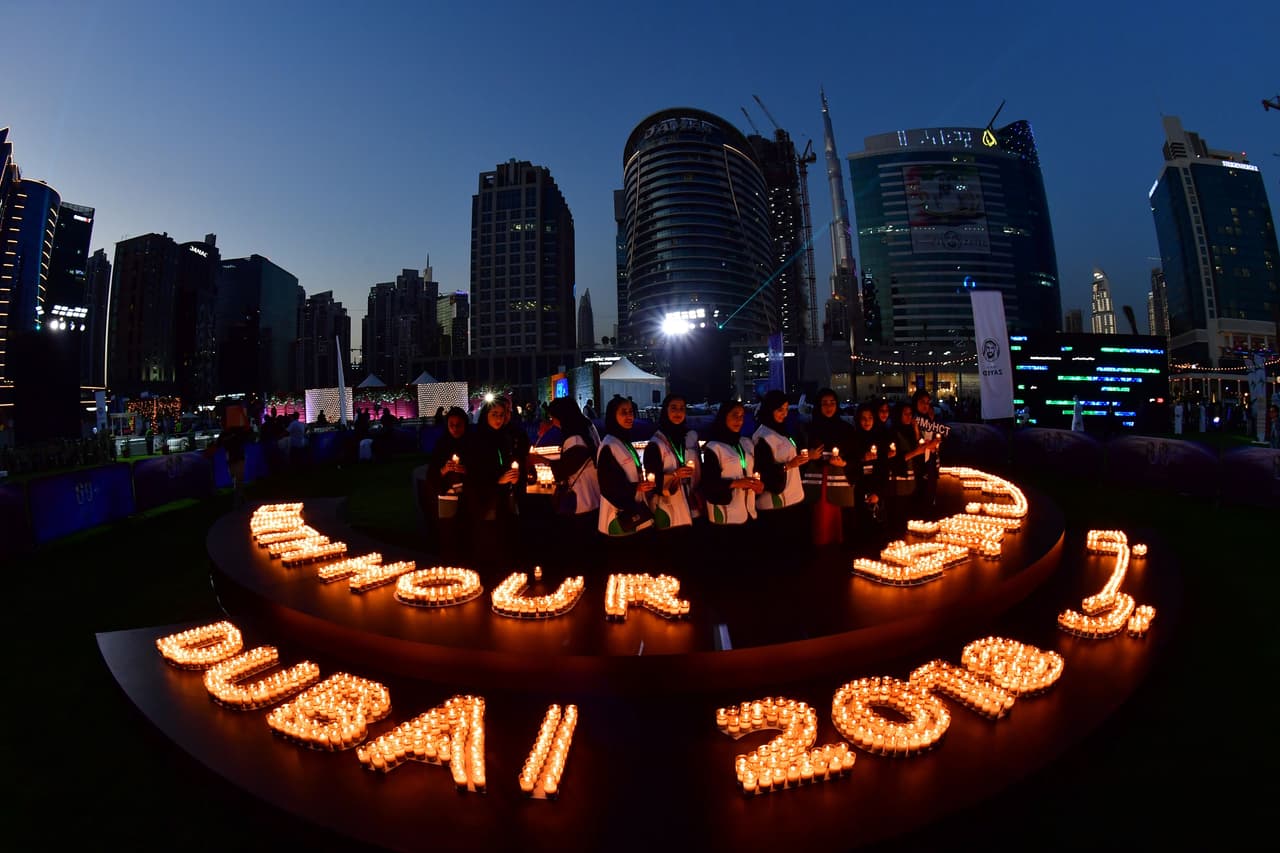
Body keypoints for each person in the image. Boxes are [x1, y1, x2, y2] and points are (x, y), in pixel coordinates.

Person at [462, 399, 524, 570]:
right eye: (494, 414)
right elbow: (474, 473)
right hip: (484, 501)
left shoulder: (504, 438)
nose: (498, 419)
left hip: (502, 500)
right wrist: (497, 480)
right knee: (487, 543)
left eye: (501, 415)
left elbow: (506, 463)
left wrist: (513, 477)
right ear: (485, 415)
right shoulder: (477, 440)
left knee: (503, 542)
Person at [751, 390, 809, 555]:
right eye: (779, 410)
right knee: (778, 550)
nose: (784, 414)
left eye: (786, 409)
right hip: (776, 505)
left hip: (793, 498)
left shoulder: (781, 431)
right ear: (769, 409)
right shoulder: (762, 437)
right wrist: (788, 465)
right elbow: (762, 470)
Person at [596, 396, 655, 539]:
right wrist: (636, 487)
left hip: (637, 514)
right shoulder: (609, 445)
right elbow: (608, 485)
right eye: (623, 412)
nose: (629, 416)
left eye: (631, 412)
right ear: (613, 415)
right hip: (619, 519)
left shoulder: (623, 441)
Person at [546, 397, 602, 545]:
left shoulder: (575, 439)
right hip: (594, 495)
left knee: (579, 543)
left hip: (582, 500)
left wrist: (542, 461)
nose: (553, 422)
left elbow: (565, 469)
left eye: (553, 417)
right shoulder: (587, 428)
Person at [642, 393, 701, 533]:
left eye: (682, 408)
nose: (678, 412)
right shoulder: (656, 443)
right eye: (673, 408)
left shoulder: (691, 437)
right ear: (665, 410)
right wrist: (674, 474)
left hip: (693, 505)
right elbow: (651, 481)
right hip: (669, 508)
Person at [701, 399, 762, 528]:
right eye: (735, 415)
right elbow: (709, 483)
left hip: (749, 513)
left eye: (742, 416)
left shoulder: (746, 443)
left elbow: (755, 470)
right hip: (726, 517)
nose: (739, 420)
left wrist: (760, 485)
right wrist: (736, 483)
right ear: (724, 417)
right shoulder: (714, 447)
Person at [425, 407, 471, 559]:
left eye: (459, 424)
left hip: (469, 499)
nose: (455, 428)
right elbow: (431, 474)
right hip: (447, 498)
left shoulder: (473, 444)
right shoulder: (442, 445)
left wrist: (466, 470)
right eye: (452, 425)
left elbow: (482, 471)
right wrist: (444, 470)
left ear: (465, 424)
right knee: (449, 535)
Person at [851, 402, 889, 547]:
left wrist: (878, 493)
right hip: (859, 491)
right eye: (863, 418)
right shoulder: (854, 439)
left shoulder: (880, 440)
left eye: (870, 418)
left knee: (878, 531)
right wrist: (862, 459)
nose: (867, 421)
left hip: (877, 490)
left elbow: (884, 469)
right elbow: (850, 465)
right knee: (861, 531)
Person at [911, 389, 943, 514]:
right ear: (915, 402)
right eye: (922, 402)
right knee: (919, 490)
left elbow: (938, 437)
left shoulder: (932, 419)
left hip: (931, 460)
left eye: (928, 402)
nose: (925, 405)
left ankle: (930, 511)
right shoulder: (912, 419)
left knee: (930, 488)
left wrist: (936, 443)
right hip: (917, 461)